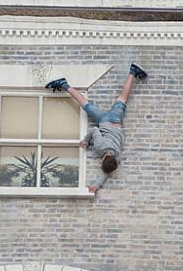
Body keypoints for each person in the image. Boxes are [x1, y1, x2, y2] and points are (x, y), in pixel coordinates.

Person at [46, 64, 148, 193]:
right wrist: (85, 141)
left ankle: (133, 73)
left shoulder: (117, 156)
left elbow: (107, 172)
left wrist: (97, 185)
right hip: (106, 121)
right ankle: (64, 84)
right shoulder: (100, 147)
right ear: (104, 159)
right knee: (87, 105)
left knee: (121, 99)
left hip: (115, 122)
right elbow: (94, 130)